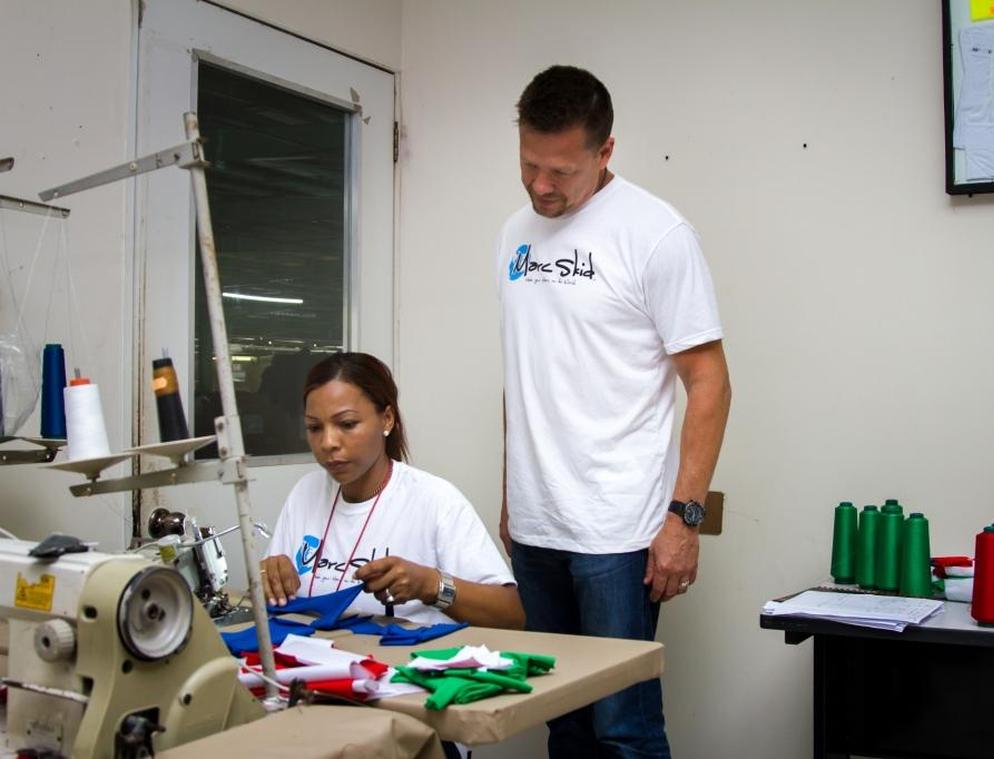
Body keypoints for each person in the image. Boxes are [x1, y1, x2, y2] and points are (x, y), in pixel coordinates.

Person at [496, 65, 731, 758]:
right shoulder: (514, 233)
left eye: (560, 171)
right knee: (561, 719)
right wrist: (512, 492)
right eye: (528, 164)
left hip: (617, 532)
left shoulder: (655, 233)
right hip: (537, 528)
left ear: (605, 152)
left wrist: (683, 518)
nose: (541, 185)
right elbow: (523, 373)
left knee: (622, 728)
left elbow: (711, 383)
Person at [261, 351, 524, 630]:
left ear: (387, 419)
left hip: (398, 668)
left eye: (347, 424)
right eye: (314, 427)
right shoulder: (305, 493)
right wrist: (270, 575)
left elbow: (512, 615)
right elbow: (273, 584)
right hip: (314, 666)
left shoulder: (434, 501)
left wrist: (432, 585)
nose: (328, 442)